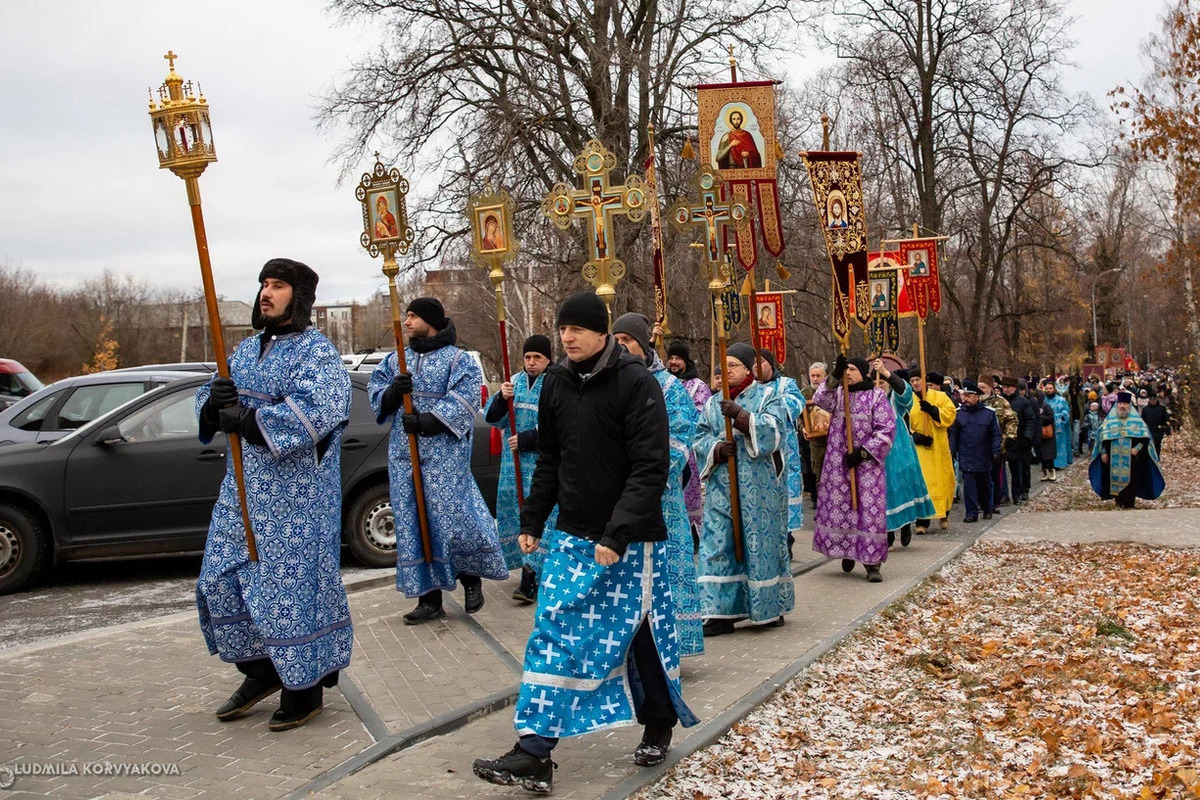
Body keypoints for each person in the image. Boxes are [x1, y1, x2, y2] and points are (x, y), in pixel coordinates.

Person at [473, 292, 697, 793]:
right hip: (572, 534)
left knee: (637, 635)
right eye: (562, 329)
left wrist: (618, 533)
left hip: (630, 540)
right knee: (551, 632)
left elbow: (650, 466)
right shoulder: (556, 382)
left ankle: (658, 721)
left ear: (601, 334)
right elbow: (550, 457)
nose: (567, 337)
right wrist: (532, 517)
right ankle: (534, 750)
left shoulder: (636, 384)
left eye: (577, 329)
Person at [196, 258, 353, 732]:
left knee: (290, 596)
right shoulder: (243, 352)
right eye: (263, 284)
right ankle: (262, 671)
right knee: (218, 581)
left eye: (278, 285)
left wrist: (244, 420)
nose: (266, 293)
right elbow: (209, 409)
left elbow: (321, 411)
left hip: (296, 503)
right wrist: (215, 404)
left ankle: (302, 691)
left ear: (298, 295)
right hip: (241, 494)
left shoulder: (317, 353)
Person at [369, 297, 508, 624]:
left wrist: (428, 422)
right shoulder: (396, 360)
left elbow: (466, 400)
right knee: (414, 524)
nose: (407, 322)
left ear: (429, 319)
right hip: (405, 455)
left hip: (444, 456)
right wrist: (393, 392)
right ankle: (429, 599)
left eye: (413, 316)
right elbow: (377, 394)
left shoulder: (459, 360)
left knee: (454, 519)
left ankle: (471, 579)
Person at [612, 313, 703, 657]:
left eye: (627, 340)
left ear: (643, 343)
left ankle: (671, 647)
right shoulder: (609, 381)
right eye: (615, 340)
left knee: (664, 572)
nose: (620, 347)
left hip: (659, 496)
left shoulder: (669, 387)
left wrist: (652, 473)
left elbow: (681, 434)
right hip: (618, 495)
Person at [694, 342, 793, 634]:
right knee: (717, 545)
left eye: (733, 365)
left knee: (758, 545)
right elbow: (698, 437)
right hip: (721, 487)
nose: (726, 371)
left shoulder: (767, 395)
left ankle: (767, 607)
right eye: (722, 367)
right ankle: (720, 613)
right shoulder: (713, 403)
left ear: (749, 369)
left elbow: (775, 430)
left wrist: (741, 416)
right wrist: (715, 448)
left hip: (758, 488)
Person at [811, 356, 895, 581]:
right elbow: (819, 399)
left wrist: (863, 453)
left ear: (863, 372)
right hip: (838, 464)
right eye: (844, 370)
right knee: (842, 507)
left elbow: (886, 429)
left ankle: (872, 563)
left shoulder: (875, 395)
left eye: (852, 369)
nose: (848, 373)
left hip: (867, 466)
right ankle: (847, 550)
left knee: (869, 511)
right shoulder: (838, 393)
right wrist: (834, 376)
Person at [485, 334, 555, 603]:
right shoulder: (513, 382)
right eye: (527, 357)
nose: (531, 362)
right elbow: (493, 418)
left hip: (541, 465)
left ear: (548, 358)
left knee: (541, 517)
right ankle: (526, 568)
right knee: (516, 513)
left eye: (537, 357)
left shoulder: (554, 383)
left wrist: (530, 438)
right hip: (512, 465)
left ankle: (533, 575)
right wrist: (502, 399)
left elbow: (561, 423)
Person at [872, 360, 934, 547]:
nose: (878, 387)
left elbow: (906, 394)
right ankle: (888, 532)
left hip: (899, 450)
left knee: (901, 487)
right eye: (876, 383)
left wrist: (886, 373)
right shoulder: (868, 400)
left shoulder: (894, 400)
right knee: (884, 492)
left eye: (882, 383)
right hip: (878, 452)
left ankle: (906, 525)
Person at [753, 348, 807, 554]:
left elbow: (796, 404)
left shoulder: (786, 384)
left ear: (771, 364)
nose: (757, 368)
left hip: (784, 451)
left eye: (762, 363)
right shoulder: (750, 388)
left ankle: (786, 540)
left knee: (784, 494)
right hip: (759, 450)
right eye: (754, 364)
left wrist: (768, 407)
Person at [665, 339, 712, 545]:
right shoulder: (663, 381)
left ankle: (693, 535)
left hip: (690, 448)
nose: (674, 362)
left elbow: (702, 414)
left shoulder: (698, 386)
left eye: (678, 358)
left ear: (686, 361)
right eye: (671, 358)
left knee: (692, 492)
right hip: (665, 445)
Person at [1089, 392, 1165, 508]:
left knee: (1132, 480)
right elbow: (1102, 438)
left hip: (1132, 457)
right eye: (1120, 404)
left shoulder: (1137, 421)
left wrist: (1136, 449)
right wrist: (1103, 453)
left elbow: (1145, 438)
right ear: (1117, 405)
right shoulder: (1110, 421)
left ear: (1129, 405)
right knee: (1113, 478)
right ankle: (1119, 501)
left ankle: (1129, 503)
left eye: (1125, 404)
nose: (1122, 406)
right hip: (1113, 455)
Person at [908, 371, 957, 531]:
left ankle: (944, 514)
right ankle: (922, 521)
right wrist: (915, 437)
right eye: (912, 380)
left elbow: (950, 415)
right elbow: (902, 422)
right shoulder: (908, 400)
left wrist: (933, 411)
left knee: (942, 480)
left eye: (918, 379)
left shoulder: (940, 397)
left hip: (938, 447)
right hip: (920, 449)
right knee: (922, 483)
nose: (915, 383)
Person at [949, 381, 1002, 523]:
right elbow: (954, 435)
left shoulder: (989, 413)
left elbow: (995, 434)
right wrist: (952, 451)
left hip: (984, 455)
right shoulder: (959, 414)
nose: (965, 399)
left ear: (977, 397)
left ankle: (986, 507)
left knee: (984, 484)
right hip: (966, 454)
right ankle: (971, 512)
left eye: (969, 396)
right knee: (969, 486)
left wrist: (996, 451)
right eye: (964, 395)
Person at [978, 375, 1018, 509]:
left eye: (983, 387)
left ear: (991, 387)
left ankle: (999, 498)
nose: (981, 390)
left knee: (997, 474)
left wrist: (1010, 436)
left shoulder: (1001, 402)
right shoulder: (974, 401)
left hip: (997, 444)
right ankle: (982, 501)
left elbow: (1011, 419)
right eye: (979, 387)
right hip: (978, 445)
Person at [1000, 376, 1037, 503]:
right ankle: (1004, 495)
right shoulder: (1000, 401)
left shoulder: (1022, 402)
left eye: (1008, 387)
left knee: (1017, 468)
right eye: (1004, 387)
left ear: (1014, 388)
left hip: (1019, 439)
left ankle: (1018, 493)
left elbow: (1030, 420)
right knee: (1002, 469)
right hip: (1003, 439)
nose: (1006, 389)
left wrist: (1027, 436)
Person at [801, 362, 831, 510]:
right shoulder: (804, 394)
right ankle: (820, 502)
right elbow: (799, 416)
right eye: (812, 376)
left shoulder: (832, 391)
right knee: (818, 471)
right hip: (815, 442)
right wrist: (803, 429)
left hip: (833, 439)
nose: (815, 379)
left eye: (818, 375)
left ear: (825, 376)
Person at [1042, 379, 1072, 475]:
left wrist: (1058, 416)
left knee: (1059, 445)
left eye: (1050, 388)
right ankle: (1047, 464)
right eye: (1046, 388)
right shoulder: (1043, 400)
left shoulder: (1061, 400)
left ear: (1054, 389)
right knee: (1047, 446)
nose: (1048, 390)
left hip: (1059, 427)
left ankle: (1058, 463)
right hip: (1046, 426)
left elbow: (1066, 411)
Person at [1141, 391, 1171, 456]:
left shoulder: (1162, 408)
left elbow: (1166, 419)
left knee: (1157, 445)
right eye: (1151, 400)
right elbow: (1143, 420)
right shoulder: (1145, 409)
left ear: (1156, 399)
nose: (1152, 401)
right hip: (1149, 430)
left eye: (1154, 400)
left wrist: (1167, 428)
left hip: (1158, 430)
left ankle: (1157, 458)